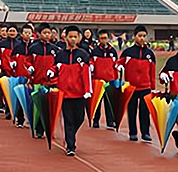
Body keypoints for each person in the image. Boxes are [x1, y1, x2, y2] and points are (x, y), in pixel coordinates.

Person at [47, 25, 92, 156]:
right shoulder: (60, 55)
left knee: (79, 119)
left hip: (79, 94)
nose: (72, 39)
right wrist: (51, 71)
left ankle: (70, 135)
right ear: (65, 37)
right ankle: (70, 145)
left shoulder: (83, 55)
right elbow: (55, 68)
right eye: (70, 36)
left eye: (75, 37)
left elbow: (86, 74)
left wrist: (87, 90)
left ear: (79, 38)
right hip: (65, 94)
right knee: (68, 120)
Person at [116, 25, 155, 142]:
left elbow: (152, 72)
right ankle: (132, 132)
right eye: (139, 36)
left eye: (144, 36)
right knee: (132, 110)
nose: (142, 38)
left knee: (145, 111)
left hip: (145, 86)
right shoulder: (127, 52)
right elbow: (118, 63)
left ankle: (145, 133)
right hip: (131, 86)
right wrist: (119, 67)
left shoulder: (150, 54)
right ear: (134, 37)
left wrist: (152, 87)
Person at [27, 22, 61, 138]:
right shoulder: (33, 48)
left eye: (49, 33)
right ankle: (39, 129)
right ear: (39, 34)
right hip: (37, 81)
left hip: (51, 82)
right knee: (39, 106)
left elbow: (58, 64)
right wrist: (30, 67)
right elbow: (28, 61)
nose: (47, 35)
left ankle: (49, 129)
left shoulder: (55, 49)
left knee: (50, 107)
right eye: (44, 33)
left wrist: (53, 70)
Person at [90, 29, 118, 129]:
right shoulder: (95, 51)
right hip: (98, 80)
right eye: (101, 38)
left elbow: (116, 65)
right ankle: (95, 120)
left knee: (109, 102)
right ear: (99, 39)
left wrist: (115, 80)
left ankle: (110, 121)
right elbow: (91, 62)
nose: (103, 40)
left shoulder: (113, 51)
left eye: (105, 38)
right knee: (97, 102)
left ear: (108, 39)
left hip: (110, 80)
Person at [10, 24, 34, 127]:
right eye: (25, 33)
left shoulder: (34, 47)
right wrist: (13, 63)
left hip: (32, 77)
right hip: (19, 75)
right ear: (21, 34)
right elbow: (12, 58)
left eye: (29, 33)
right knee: (20, 98)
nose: (27, 35)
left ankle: (31, 119)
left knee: (31, 99)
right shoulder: (18, 46)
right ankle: (20, 119)